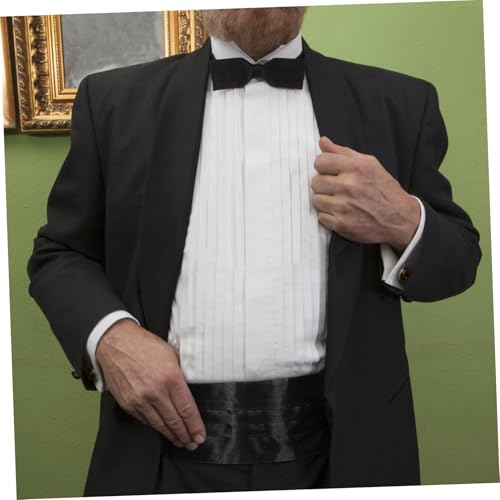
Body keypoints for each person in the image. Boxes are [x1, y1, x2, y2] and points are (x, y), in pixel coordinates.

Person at [27, 6, 481, 496]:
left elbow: (458, 262)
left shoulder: (399, 102)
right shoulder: (112, 100)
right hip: (157, 454)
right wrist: (111, 338)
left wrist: (402, 219)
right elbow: (60, 253)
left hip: (344, 456)